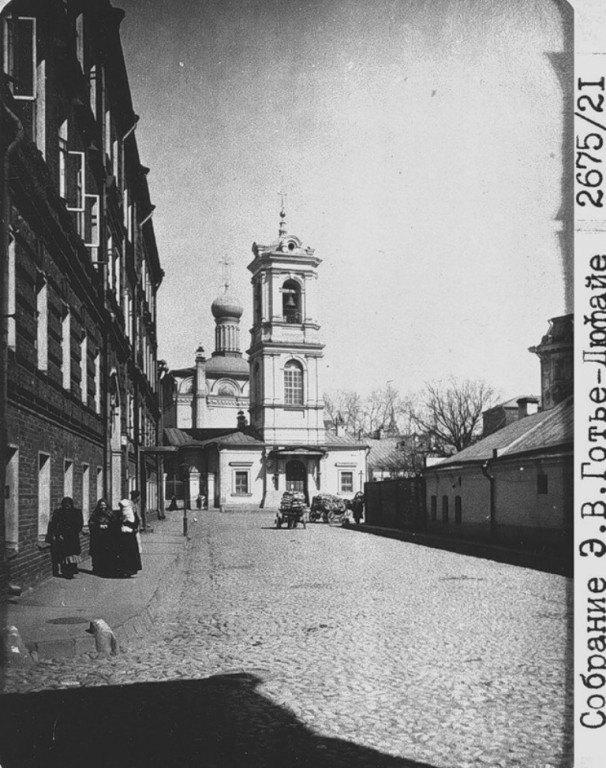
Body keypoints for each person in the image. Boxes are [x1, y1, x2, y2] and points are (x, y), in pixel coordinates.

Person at [46, 497, 83, 578]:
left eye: (69, 505)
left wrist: (73, 531)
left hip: (73, 537)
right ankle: (66, 572)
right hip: (63, 537)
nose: (67, 506)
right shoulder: (58, 512)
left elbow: (80, 524)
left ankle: (73, 570)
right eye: (65, 505)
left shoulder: (77, 512)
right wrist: (58, 534)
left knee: (73, 554)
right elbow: (54, 525)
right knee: (64, 555)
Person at [88, 498, 116, 577]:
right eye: (101, 505)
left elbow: (115, 524)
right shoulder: (95, 514)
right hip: (97, 537)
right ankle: (96, 569)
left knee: (107, 554)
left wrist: (108, 526)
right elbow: (91, 523)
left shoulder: (111, 514)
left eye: (104, 505)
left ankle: (106, 569)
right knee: (97, 554)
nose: (102, 507)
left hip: (108, 537)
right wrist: (99, 526)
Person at [116, 498, 142, 577]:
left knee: (127, 553)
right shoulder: (129, 514)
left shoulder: (126, 514)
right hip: (129, 536)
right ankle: (129, 570)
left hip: (127, 535)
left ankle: (127, 570)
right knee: (129, 554)